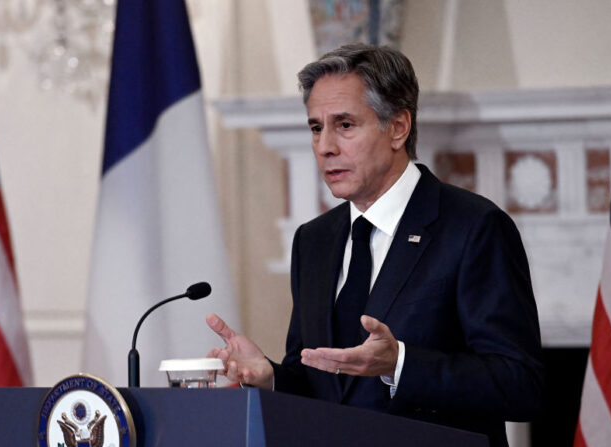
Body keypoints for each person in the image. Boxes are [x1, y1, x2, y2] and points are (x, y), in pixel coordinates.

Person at [206, 43, 543, 447]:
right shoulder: (313, 241)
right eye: (316, 127)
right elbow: (323, 383)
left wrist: (400, 363)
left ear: (398, 127)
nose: (326, 146)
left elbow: (521, 386)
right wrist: (270, 377)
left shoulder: (473, 227)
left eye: (345, 125)